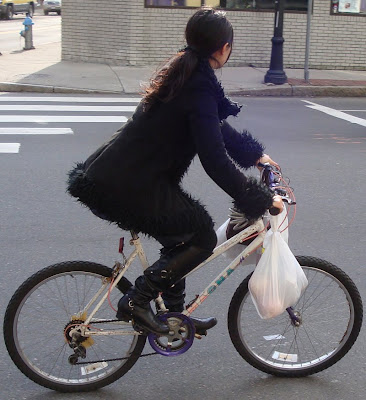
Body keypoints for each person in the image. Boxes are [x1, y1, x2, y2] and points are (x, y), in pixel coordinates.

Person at [67, 7, 281, 336]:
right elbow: (215, 161)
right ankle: (137, 301)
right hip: (130, 184)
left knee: (180, 235)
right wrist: (259, 199)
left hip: (120, 175)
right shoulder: (197, 84)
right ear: (224, 48)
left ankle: (174, 318)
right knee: (202, 235)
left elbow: (215, 127)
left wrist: (255, 156)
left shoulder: (187, 70)